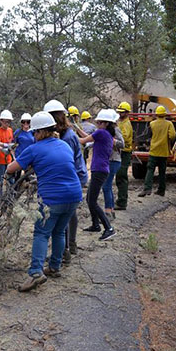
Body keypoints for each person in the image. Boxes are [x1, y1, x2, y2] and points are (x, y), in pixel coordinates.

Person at [6, 111, 82, 292]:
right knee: (59, 232)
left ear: (39, 132)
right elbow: (61, 168)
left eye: (34, 133)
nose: (33, 136)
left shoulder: (34, 149)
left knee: (41, 233)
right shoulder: (64, 145)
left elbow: (11, 168)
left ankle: (35, 273)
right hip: (74, 195)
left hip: (53, 198)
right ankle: (55, 266)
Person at [44, 99, 88, 261]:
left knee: (65, 212)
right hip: (73, 174)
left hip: (74, 175)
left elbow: (64, 162)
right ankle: (70, 245)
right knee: (70, 211)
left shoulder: (67, 137)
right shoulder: (63, 134)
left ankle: (66, 249)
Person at [77, 109, 117, 241]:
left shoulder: (101, 133)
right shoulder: (106, 134)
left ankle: (108, 228)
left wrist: (70, 134)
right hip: (101, 169)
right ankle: (95, 225)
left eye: (99, 122)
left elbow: (82, 141)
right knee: (89, 198)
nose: (97, 123)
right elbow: (87, 139)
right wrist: (76, 127)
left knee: (92, 201)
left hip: (99, 170)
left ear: (105, 123)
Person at [139, 105, 176, 197]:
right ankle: (161, 190)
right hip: (164, 152)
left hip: (154, 151)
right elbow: (172, 136)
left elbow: (149, 136)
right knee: (162, 172)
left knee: (150, 170)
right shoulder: (169, 124)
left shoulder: (152, 124)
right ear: (164, 115)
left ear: (156, 114)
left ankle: (147, 189)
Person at [102, 110, 124, 221]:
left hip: (114, 160)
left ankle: (108, 213)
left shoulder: (115, 130)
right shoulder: (106, 131)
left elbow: (122, 144)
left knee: (106, 186)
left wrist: (112, 141)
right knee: (108, 185)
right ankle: (111, 211)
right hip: (110, 160)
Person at [0, 110, 14, 204]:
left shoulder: (10, 131)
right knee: (0, 181)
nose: (7, 124)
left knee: (10, 180)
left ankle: (10, 198)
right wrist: (2, 150)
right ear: (1, 121)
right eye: (5, 121)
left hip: (9, 160)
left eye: (9, 122)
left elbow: (10, 143)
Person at [115, 102, 133, 210]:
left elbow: (124, 138)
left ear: (127, 113)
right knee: (119, 176)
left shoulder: (126, 124)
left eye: (122, 112)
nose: (120, 114)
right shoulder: (121, 122)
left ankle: (122, 202)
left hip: (125, 152)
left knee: (121, 176)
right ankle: (121, 200)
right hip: (121, 152)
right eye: (119, 112)